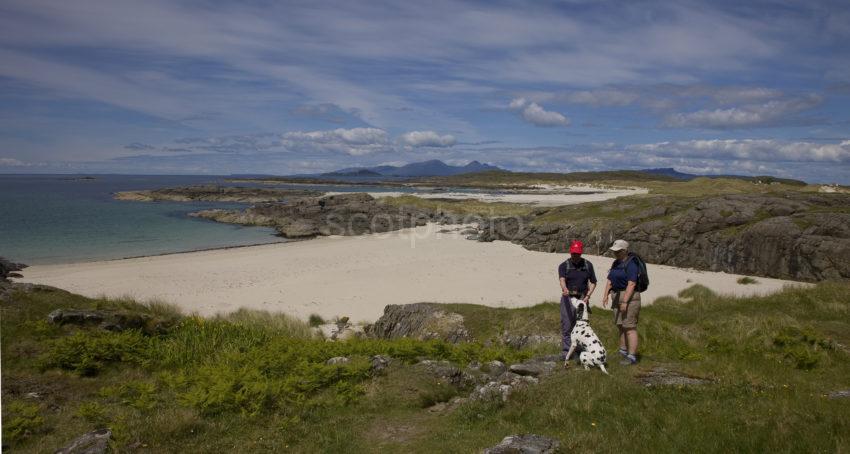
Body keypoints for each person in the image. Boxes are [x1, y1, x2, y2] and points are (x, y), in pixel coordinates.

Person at [602, 239, 641, 365]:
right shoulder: (615, 263)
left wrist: (625, 302)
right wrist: (606, 295)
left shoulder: (631, 264)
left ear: (624, 251)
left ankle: (632, 356)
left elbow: (632, 283)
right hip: (616, 295)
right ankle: (623, 351)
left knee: (629, 327)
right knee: (620, 325)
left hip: (629, 297)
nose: (616, 253)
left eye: (618, 251)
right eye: (615, 251)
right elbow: (609, 280)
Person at [557, 240, 597, 362]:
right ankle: (566, 351)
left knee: (581, 326)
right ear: (570, 252)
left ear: (581, 253)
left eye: (578, 254)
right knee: (567, 325)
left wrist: (588, 296)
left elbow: (594, 282)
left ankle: (580, 350)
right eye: (573, 253)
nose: (575, 256)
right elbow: (562, 279)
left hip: (582, 298)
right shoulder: (564, 265)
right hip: (568, 299)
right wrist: (564, 289)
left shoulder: (588, 265)